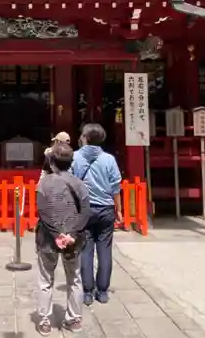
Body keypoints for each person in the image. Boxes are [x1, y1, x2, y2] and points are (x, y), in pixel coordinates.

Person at [35, 143, 90, 336]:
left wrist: (56, 233)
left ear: (52, 162)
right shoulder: (79, 183)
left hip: (49, 239)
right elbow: (85, 211)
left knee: (46, 279)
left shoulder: (43, 183)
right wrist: (71, 234)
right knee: (74, 278)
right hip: (72, 239)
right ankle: (74, 319)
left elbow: (43, 211)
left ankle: (44, 320)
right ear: (71, 162)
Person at [71, 123, 122, 306]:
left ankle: (87, 292)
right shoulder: (109, 159)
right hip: (106, 208)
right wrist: (119, 209)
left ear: (85, 137)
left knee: (85, 250)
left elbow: (69, 182)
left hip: (84, 210)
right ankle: (102, 291)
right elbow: (115, 186)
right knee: (105, 250)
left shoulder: (75, 157)